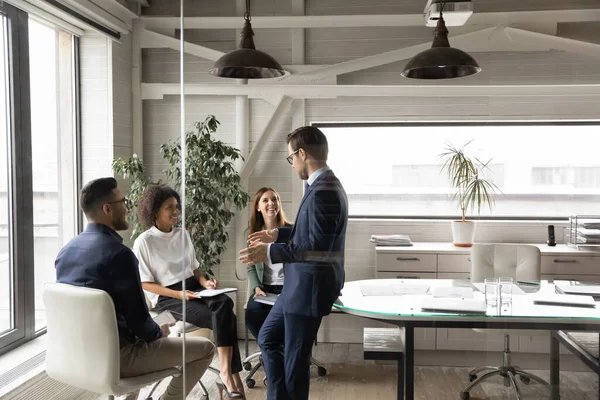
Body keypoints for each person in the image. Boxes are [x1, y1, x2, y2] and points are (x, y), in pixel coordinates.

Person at [55, 177, 215, 400]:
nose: (128, 208)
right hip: (118, 358)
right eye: (123, 202)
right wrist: (160, 331)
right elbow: (140, 323)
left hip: (76, 357)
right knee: (206, 348)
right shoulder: (120, 255)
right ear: (107, 209)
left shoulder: (65, 253)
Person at [239, 126, 349, 400]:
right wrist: (277, 233)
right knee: (268, 338)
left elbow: (314, 247)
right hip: (297, 289)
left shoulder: (324, 191)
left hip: (308, 291)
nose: (292, 164)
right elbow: (308, 232)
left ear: (302, 154)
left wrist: (269, 251)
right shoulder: (322, 185)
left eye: (291, 158)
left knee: (296, 365)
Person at [132, 185, 244, 399]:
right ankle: (230, 374)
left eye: (176, 207)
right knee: (223, 315)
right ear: (155, 211)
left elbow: (194, 268)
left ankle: (226, 371)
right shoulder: (144, 242)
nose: (175, 212)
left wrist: (205, 282)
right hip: (167, 297)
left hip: (193, 286)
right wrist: (179, 295)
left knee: (225, 304)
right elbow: (145, 283)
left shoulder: (183, 234)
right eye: (169, 208)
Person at [245, 187, 291, 340]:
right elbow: (251, 267)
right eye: (265, 200)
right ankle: (269, 350)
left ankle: (278, 352)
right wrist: (256, 287)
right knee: (252, 313)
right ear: (258, 207)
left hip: (288, 287)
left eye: (274, 199)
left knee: (286, 318)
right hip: (265, 289)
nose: (271, 203)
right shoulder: (253, 234)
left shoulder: (290, 231)